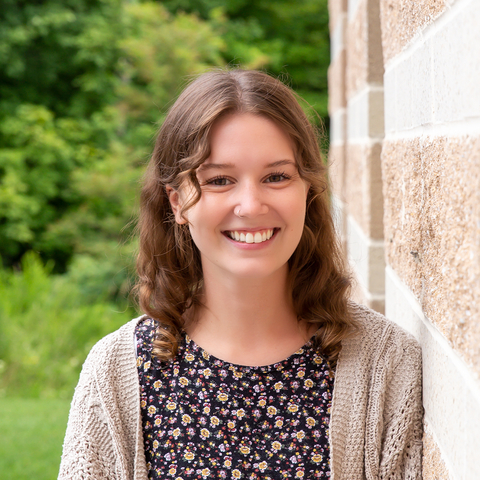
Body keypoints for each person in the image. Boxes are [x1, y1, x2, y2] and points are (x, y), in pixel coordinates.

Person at [58, 69, 423, 480]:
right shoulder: (116, 372)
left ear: (309, 190)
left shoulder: (386, 364)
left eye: (276, 176)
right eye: (219, 180)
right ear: (177, 203)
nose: (250, 205)